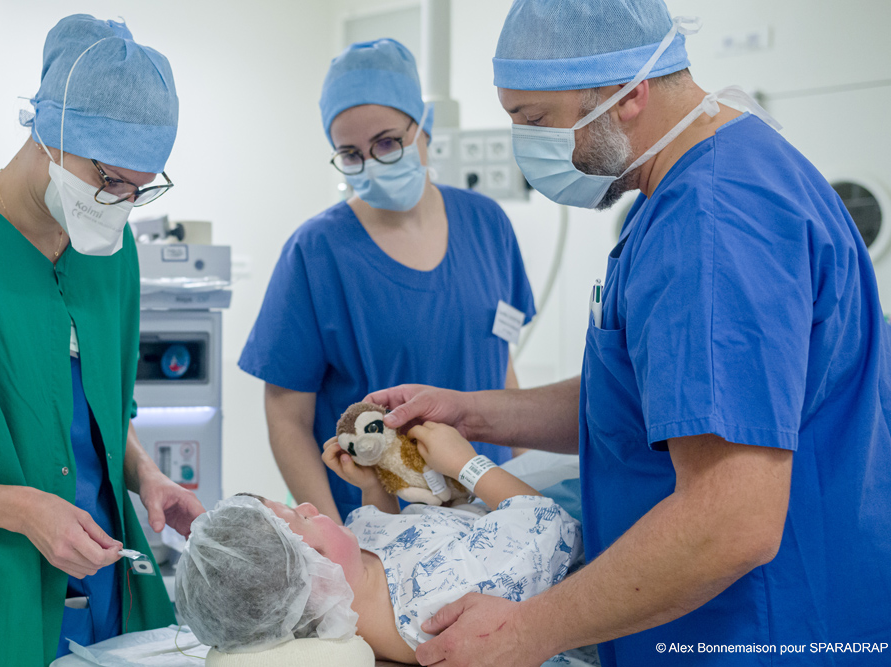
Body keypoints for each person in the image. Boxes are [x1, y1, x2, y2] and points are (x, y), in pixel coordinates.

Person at [365, 1, 891, 666]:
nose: (525, 146)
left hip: (759, 631)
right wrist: (472, 411)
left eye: (533, 121)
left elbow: (731, 520)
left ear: (629, 93)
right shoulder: (704, 184)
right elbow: (653, 397)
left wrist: (528, 630)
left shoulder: (711, 223)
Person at [0, 15, 204, 665]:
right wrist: (21, 509)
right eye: (109, 180)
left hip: (101, 592)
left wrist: (145, 476)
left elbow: (90, 407)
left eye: (140, 189)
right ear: (49, 130)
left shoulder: (108, 251)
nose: (118, 202)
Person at [239, 38, 535, 522]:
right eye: (351, 154)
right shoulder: (316, 252)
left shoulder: (487, 224)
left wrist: (524, 493)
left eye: (387, 143)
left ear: (424, 127)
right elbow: (288, 420)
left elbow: (500, 368)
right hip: (376, 523)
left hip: (489, 510)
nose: (373, 162)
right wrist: (335, 542)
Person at [174, 423, 589, 666]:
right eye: (302, 518)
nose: (305, 504)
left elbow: (386, 533)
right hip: (564, 525)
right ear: (315, 572)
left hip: (488, 514)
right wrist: (466, 463)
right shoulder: (433, 601)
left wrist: (373, 487)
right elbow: (552, 527)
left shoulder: (354, 574)